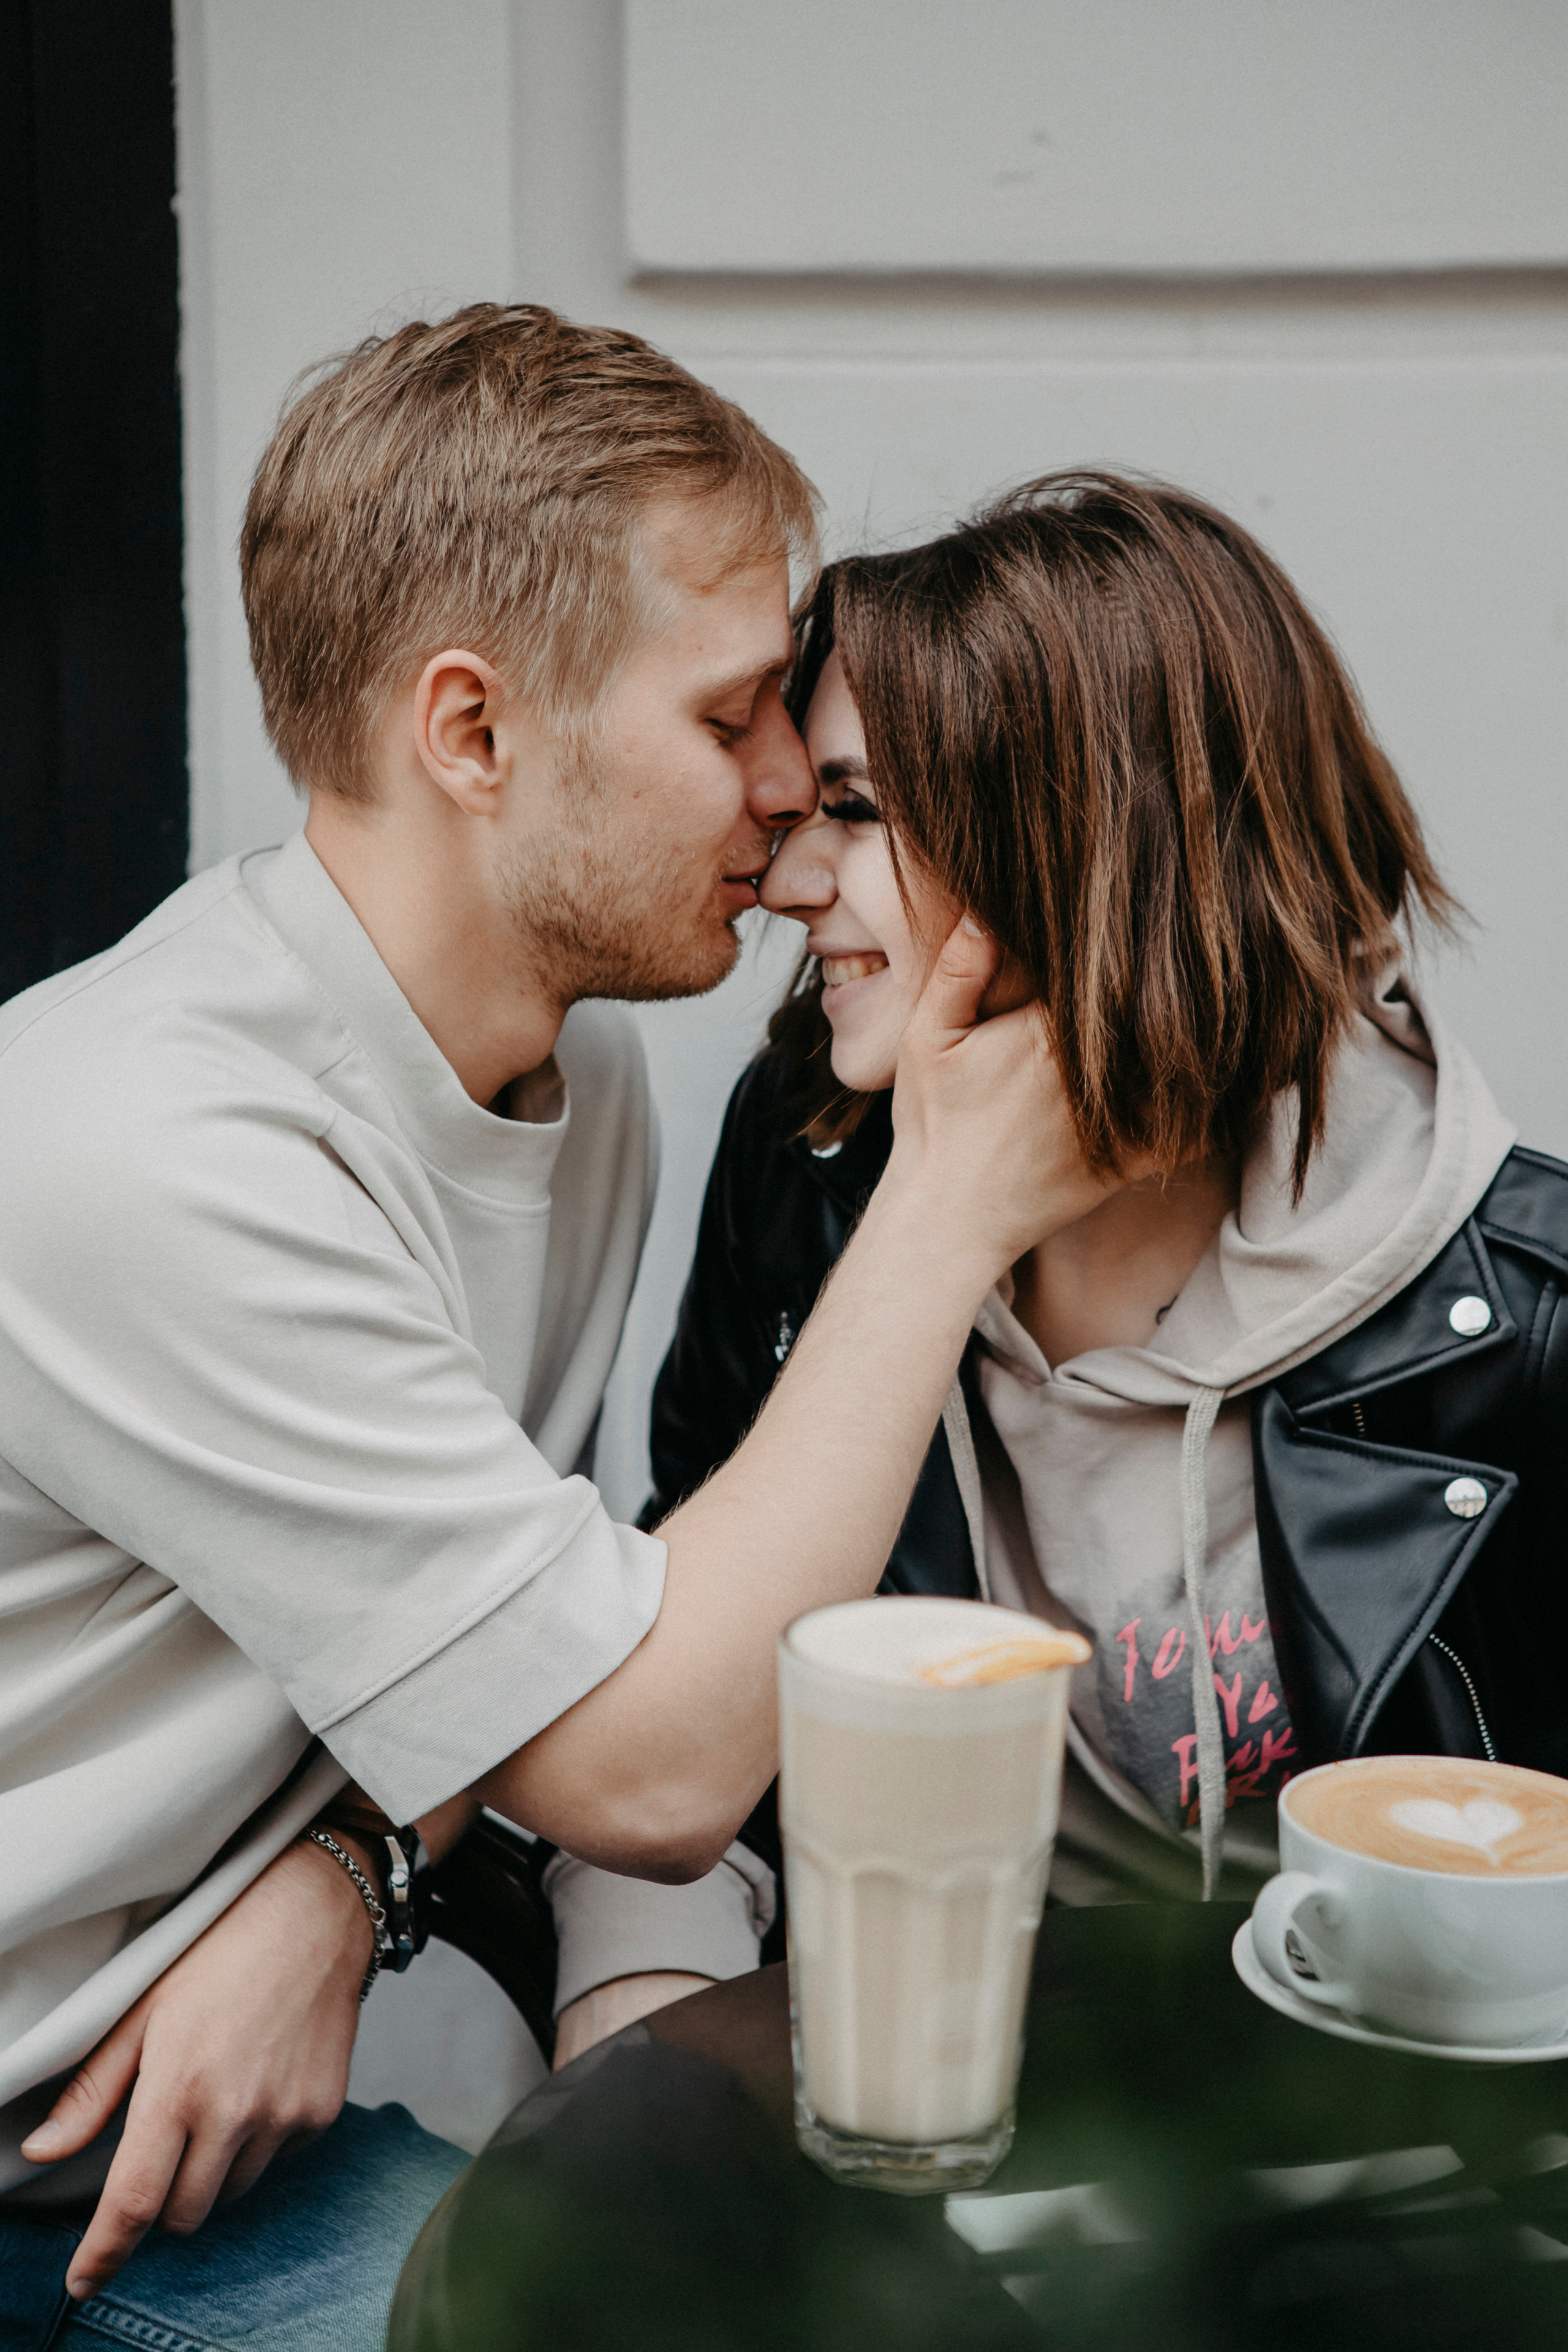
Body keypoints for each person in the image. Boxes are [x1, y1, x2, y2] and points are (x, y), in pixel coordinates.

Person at [0, 311, 1101, 2346]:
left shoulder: (557, 1084)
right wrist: (954, 1197)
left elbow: (523, 1617)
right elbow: (650, 1759)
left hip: (146, 2154)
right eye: (735, 719)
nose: (789, 805)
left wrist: (343, 1875)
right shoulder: (157, 1150)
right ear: (474, 734)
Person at [575, 470, 1566, 2022]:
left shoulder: (1523, 1323)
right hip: (906, 2124)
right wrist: (636, 2022)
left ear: (1090, 849)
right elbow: (687, 1666)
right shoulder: (812, 1165)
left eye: (853, 811)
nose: (786, 882)